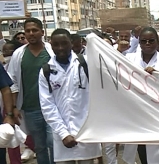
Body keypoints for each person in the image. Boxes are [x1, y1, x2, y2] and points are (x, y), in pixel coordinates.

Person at [38, 28, 101, 164]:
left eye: (64, 43)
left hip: (85, 130)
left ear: (71, 43)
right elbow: (47, 105)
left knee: (87, 161)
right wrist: (63, 133)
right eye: (56, 44)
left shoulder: (86, 63)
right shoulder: (46, 71)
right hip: (61, 133)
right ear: (51, 45)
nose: (60, 48)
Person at [122, 27, 159, 164]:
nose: (147, 44)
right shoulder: (129, 58)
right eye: (144, 41)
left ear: (157, 42)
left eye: (151, 41)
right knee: (142, 150)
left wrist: (158, 75)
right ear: (139, 43)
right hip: (137, 114)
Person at [7, 17, 55, 164]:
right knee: (39, 146)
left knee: (53, 143)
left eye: (34, 30)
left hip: (53, 107)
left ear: (42, 32)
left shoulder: (52, 51)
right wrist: (14, 107)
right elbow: (13, 82)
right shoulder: (19, 55)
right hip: (31, 108)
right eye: (28, 31)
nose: (31, 33)